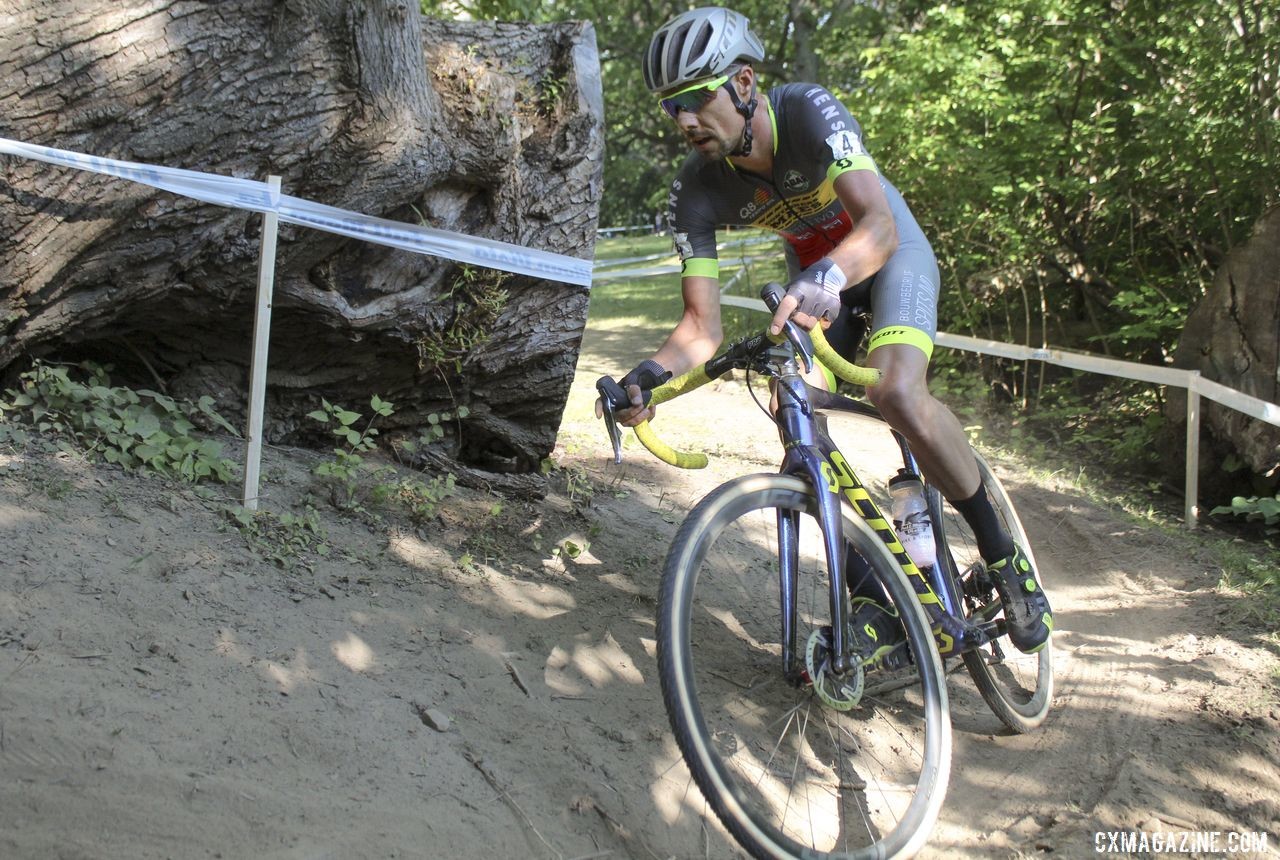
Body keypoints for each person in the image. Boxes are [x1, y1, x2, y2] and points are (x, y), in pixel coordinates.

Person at [600, 6, 1054, 654]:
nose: (685, 121)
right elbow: (701, 324)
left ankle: (1006, 560)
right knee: (795, 421)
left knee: (896, 393)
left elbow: (879, 225)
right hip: (815, 287)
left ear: (746, 84)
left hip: (888, 257)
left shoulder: (807, 111)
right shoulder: (696, 189)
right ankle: (875, 594)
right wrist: (643, 377)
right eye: (671, 108)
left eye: (697, 99)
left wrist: (830, 276)